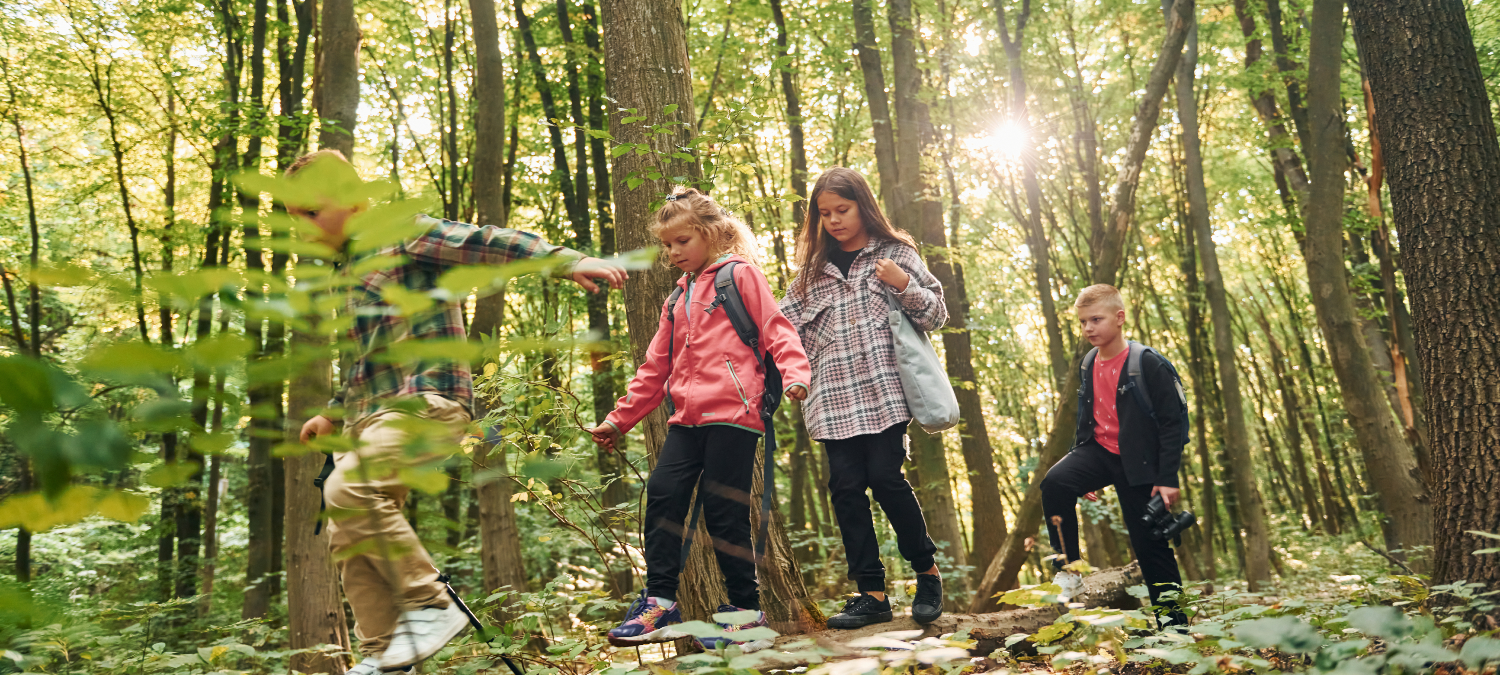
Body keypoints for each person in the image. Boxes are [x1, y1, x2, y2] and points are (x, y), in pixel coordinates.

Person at [289, 150, 627, 674]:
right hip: (369, 419)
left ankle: (430, 606)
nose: (304, 229)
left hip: (428, 402)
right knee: (348, 522)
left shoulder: (400, 231)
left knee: (348, 489)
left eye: (312, 213)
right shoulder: (347, 273)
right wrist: (332, 413)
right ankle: (384, 656)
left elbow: (483, 242)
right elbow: (365, 357)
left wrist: (564, 260)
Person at [588, 187, 811, 652]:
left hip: (734, 414)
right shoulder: (677, 298)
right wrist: (617, 421)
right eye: (667, 245)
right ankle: (660, 600)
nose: (672, 253)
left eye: (681, 242)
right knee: (664, 494)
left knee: (724, 511)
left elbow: (776, 329)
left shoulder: (739, 276)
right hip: (686, 420)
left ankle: (746, 613)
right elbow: (655, 369)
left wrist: (796, 375)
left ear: (710, 234)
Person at [778, 167, 948, 629]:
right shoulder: (810, 275)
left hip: (885, 393)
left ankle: (927, 571)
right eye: (825, 213)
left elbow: (936, 314)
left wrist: (902, 283)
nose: (834, 220)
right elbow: (779, 330)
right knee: (846, 489)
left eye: (843, 209)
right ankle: (871, 594)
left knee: (887, 479)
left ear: (863, 206)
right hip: (831, 401)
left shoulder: (895, 254)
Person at [1040, 283, 1189, 628]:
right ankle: (1070, 570)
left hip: (1141, 464)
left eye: (1096, 319)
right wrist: (1081, 465)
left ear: (1119, 318)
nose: (1088, 328)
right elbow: (1086, 415)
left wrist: (1167, 479)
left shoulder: (1147, 363)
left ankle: (1175, 627)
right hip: (1099, 451)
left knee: (1150, 545)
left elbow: (1173, 422)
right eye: (1082, 322)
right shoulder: (1088, 362)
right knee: (1056, 483)